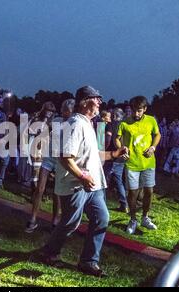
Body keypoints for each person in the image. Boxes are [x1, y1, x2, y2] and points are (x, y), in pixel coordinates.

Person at [39, 86, 127, 277]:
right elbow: (65, 156)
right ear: (85, 101)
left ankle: (88, 261)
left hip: (92, 185)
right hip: (76, 185)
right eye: (97, 98)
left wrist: (114, 154)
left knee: (102, 218)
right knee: (70, 223)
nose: (100, 102)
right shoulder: (75, 123)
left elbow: (93, 155)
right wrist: (82, 176)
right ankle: (49, 252)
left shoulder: (87, 124)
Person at [25, 99, 75, 233]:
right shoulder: (56, 120)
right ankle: (33, 219)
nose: (64, 113)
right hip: (48, 158)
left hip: (61, 161)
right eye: (63, 110)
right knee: (39, 189)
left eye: (67, 111)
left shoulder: (74, 124)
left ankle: (55, 221)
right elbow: (46, 133)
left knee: (57, 193)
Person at [116, 96, 161, 235]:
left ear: (145, 109)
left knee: (149, 191)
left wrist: (153, 147)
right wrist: (121, 149)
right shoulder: (124, 122)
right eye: (134, 110)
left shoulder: (151, 120)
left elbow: (158, 134)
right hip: (132, 163)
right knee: (133, 193)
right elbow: (117, 139)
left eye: (139, 111)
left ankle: (145, 217)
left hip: (148, 162)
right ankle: (133, 219)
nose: (136, 114)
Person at [104, 108, 128, 212]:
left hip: (111, 156)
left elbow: (108, 138)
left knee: (104, 181)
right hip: (121, 158)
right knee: (119, 181)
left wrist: (104, 150)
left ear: (114, 116)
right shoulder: (125, 126)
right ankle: (124, 204)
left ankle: (102, 204)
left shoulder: (111, 125)